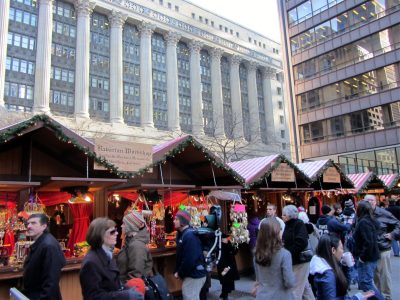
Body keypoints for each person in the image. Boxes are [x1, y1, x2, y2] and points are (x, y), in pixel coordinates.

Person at [80, 217, 143, 300]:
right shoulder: (91, 262)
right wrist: (126, 295)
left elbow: (113, 285)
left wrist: (127, 289)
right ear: (100, 235)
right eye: (112, 232)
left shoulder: (107, 254)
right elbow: (93, 297)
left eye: (116, 230)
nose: (117, 233)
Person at [310, 234, 374, 300]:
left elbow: (342, 288)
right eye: (341, 248)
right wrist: (357, 298)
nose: (343, 251)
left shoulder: (326, 265)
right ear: (333, 250)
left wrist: (345, 266)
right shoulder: (328, 274)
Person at [364, 194, 400, 300]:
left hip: (383, 248)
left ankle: (386, 297)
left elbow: (398, 224)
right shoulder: (362, 214)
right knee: (375, 276)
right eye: (367, 201)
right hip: (369, 250)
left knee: (384, 275)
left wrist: (392, 235)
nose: (369, 202)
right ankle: (379, 297)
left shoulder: (384, 213)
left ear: (375, 202)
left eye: (371, 200)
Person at [22, 213, 66, 300]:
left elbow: (51, 282)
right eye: (28, 223)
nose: (29, 226)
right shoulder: (42, 243)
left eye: (33, 223)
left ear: (44, 226)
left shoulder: (49, 246)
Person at [254, 217, 295, 299]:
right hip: (281, 296)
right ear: (275, 233)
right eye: (280, 229)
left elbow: (259, 278)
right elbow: (289, 282)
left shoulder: (257, 254)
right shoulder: (284, 254)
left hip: (262, 295)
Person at [282, 205, 315, 300]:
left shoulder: (298, 224)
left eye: (284, 215)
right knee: (305, 287)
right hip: (294, 260)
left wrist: (288, 253)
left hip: (300, 260)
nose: (282, 216)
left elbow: (301, 242)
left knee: (296, 289)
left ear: (290, 215)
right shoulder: (288, 225)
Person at [353, 201, 384, 300]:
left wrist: (362, 256)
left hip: (367, 257)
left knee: (365, 282)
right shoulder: (369, 220)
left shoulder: (364, 222)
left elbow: (368, 241)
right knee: (366, 282)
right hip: (370, 256)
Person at [173, 210, 206, 300]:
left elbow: (190, 259)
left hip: (194, 275)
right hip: (193, 274)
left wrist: (180, 273)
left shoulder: (189, 236)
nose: (174, 221)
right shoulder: (182, 234)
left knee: (190, 297)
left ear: (182, 222)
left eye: (176, 219)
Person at [117, 210, 153, 283]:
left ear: (131, 226)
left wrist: (127, 290)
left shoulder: (137, 246)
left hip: (130, 289)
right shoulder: (129, 240)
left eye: (124, 223)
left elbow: (135, 276)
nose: (121, 225)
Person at [217, 234, 239, 300]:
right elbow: (233, 251)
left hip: (227, 262)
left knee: (226, 279)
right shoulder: (225, 238)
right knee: (226, 279)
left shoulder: (229, 238)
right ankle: (224, 294)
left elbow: (234, 251)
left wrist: (236, 243)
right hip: (225, 262)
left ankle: (224, 293)